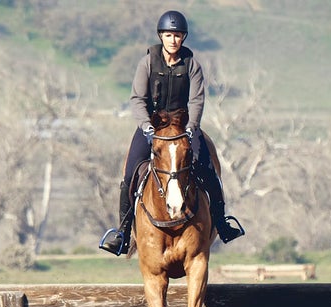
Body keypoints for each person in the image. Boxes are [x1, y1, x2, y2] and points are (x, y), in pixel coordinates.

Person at [99, 9, 245, 256]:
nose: (173, 40)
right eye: (169, 35)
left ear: (183, 38)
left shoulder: (192, 65)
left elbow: (197, 100)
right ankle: (122, 233)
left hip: (183, 128)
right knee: (130, 173)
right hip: (151, 128)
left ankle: (221, 223)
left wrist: (191, 128)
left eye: (177, 35)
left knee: (209, 171)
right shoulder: (147, 63)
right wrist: (146, 126)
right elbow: (137, 98)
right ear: (161, 36)